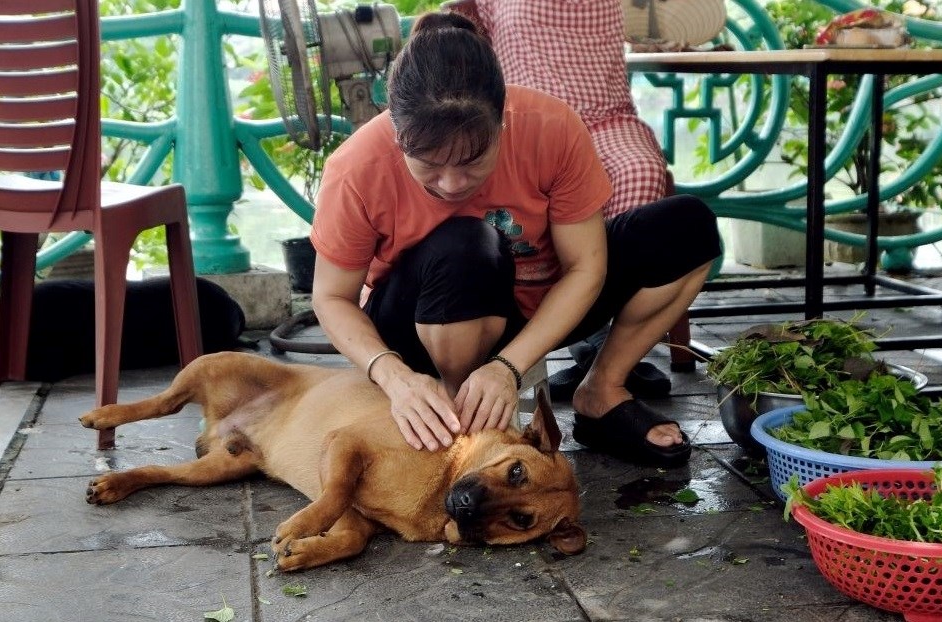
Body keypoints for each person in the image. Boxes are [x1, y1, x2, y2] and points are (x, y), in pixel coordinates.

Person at [308, 11, 720, 467]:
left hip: (531, 308)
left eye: (472, 161)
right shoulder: (356, 167)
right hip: (419, 324)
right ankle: (462, 416)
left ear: (502, 120)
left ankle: (601, 392)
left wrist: (507, 367)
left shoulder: (551, 127)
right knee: (467, 244)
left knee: (687, 226)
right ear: (398, 135)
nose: (451, 184)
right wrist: (393, 375)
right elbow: (331, 297)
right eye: (429, 165)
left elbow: (585, 266)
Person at [447, 0, 677, 402]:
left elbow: (656, 20)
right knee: (528, 195)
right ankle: (579, 339)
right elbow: (459, 26)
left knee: (642, 173)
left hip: (607, 119)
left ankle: (611, 348)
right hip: (527, 119)